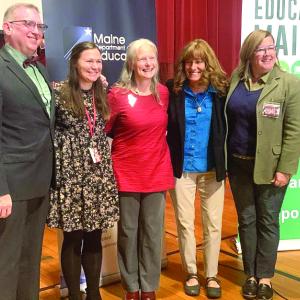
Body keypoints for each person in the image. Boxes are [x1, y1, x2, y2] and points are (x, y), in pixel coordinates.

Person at [225, 29, 300, 300]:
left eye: (271, 47)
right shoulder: (236, 78)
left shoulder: (289, 83)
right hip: (238, 164)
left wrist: (286, 168)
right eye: (261, 49)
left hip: (270, 167)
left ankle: (265, 277)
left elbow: (294, 130)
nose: (268, 53)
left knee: (267, 221)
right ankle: (251, 275)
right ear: (249, 54)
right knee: (246, 221)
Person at [47, 41, 119, 300]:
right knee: (73, 237)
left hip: (98, 175)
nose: (95, 66)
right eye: (89, 61)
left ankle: (94, 294)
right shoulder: (58, 92)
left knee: (94, 235)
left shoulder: (102, 92)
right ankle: (75, 295)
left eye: (98, 61)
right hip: (71, 176)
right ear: (75, 63)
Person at [105, 38, 174, 300]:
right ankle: (131, 287)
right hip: (126, 174)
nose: (147, 63)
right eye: (142, 58)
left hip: (157, 173)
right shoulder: (117, 95)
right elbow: (105, 130)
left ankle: (149, 287)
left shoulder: (163, 94)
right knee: (128, 233)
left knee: (153, 234)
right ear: (132, 63)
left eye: (151, 58)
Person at [0, 3, 54, 300]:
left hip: (40, 183)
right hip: (11, 189)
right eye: (28, 24)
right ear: (7, 28)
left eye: (40, 26)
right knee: (5, 265)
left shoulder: (41, 71)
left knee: (30, 261)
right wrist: (0, 189)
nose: (36, 31)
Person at [166, 39, 228, 298]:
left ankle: (211, 274)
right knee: (184, 223)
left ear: (208, 63)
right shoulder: (174, 90)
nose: (194, 67)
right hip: (183, 169)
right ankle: (191, 271)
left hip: (213, 169)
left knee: (213, 224)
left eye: (199, 61)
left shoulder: (221, 91)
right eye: (189, 61)